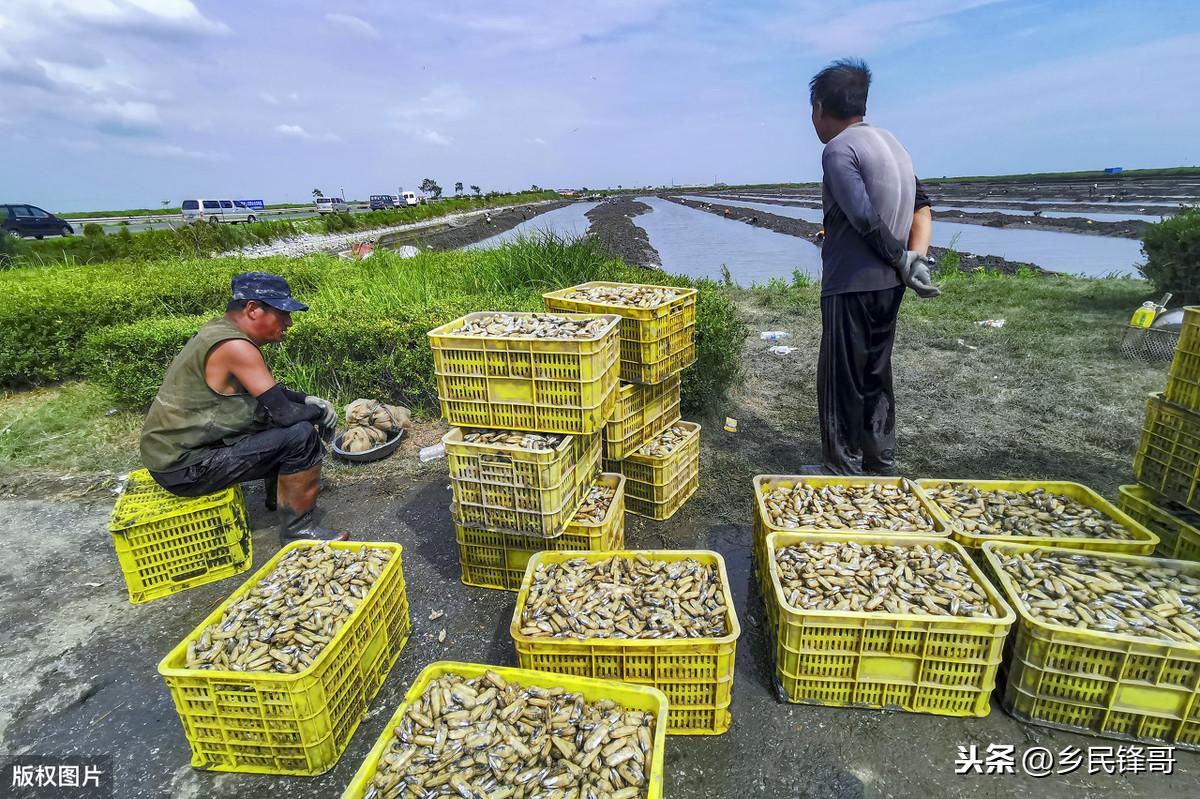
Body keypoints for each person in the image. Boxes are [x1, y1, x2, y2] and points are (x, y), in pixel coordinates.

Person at [139, 272, 348, 542]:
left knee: (276, 422)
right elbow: (285, 414)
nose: (289, 323)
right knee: (301, 435)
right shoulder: (236, 346)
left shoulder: (218, 331)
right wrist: (321, 413)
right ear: (252, 309)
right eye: (282, 313)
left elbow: (270, 394)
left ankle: (279, 498)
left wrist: (305, 399)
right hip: (184, 470)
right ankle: (299, 531)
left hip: (173, 456)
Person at [806, 58, 938, 476]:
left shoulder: (838, 149)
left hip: (851, 285)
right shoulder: (894, 144)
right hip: (889, 287)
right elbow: (921, 206)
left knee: (841, 376)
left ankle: (840, 468)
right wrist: (916, 259)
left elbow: (862, 216)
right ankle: (880, 461)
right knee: (876, 373)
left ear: (821, 108)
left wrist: (902, 257)